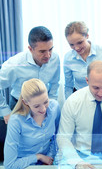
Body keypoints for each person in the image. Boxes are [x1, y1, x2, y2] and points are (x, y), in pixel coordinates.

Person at [0, 26, 60, 161]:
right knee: (21, 146)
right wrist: (5, 111)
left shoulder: (55, 59)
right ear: (30, 49)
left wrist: (50, 106)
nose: (48, 55)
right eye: (42, 51)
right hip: (20, 105)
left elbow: (55, 84)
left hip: (44, 102)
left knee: (45, 140)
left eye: (50, 49)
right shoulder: (14, 64)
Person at [4, 78, 61, 169]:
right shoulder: (16, 121)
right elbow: (9, 166)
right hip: (23, 167)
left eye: (46, 102)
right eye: (36, 106)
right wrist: (38, 157)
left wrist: (49, 157)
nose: (43, 109)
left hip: (47, 164)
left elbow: (57, 136)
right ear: (25, 102)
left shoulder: (54, 107)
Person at [63, 21, 102, 99]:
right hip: (80, 97)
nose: (76, 48)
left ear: (87, 36)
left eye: (80, 42)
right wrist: (69, 104)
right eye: (71, 44)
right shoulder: (68, 58)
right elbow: (68, 86)